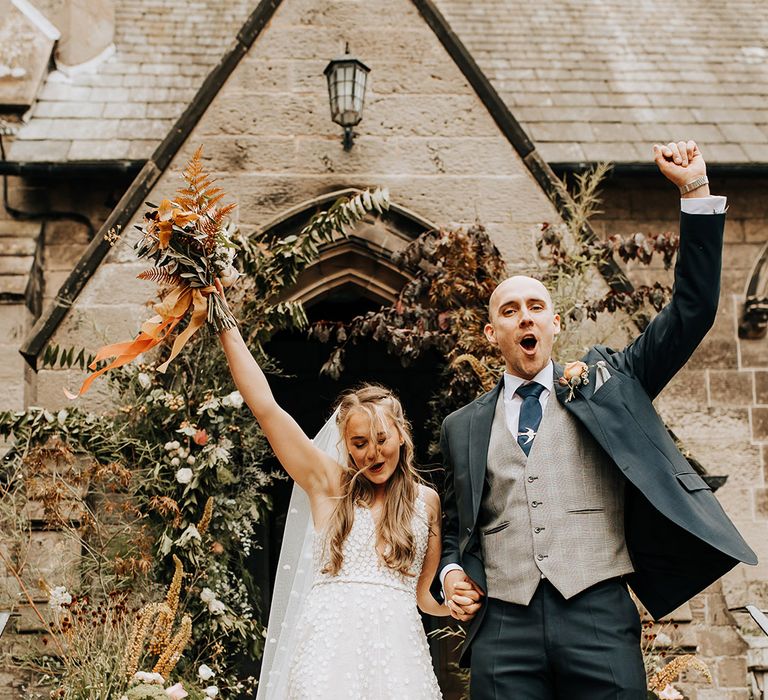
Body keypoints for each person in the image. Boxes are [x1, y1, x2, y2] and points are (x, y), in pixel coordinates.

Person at [438, 140, 758, 699]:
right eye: (509, 311)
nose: (524, 318)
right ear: (493, 336)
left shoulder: (610, 384)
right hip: (504, 627)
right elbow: (451, 528)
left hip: (597, 615)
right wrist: (451, 573)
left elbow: (691, 312)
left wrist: (695, 191)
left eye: (535, 307)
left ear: (555, 324)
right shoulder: (461, 426)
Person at [217, 312, 454, 699]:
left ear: (401, 435)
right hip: (327, 650)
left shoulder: (425, 501)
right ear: (346, 444)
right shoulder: (329, 486)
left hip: (398, 655)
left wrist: (458, 607)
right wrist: (224, 320)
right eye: (359, 443)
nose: (373, 453)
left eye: (381, 439)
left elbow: (425, 598)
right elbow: (266, 408)